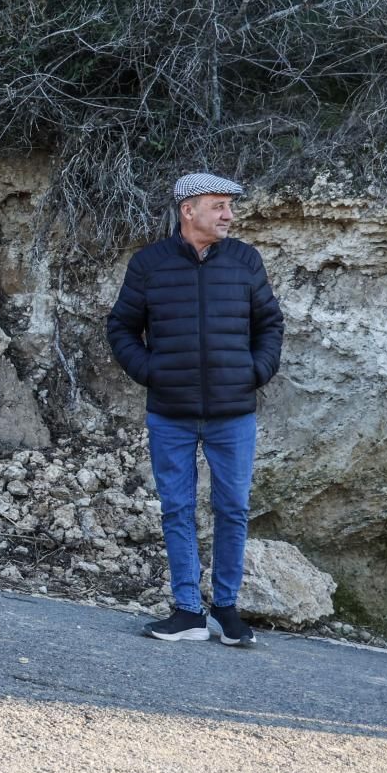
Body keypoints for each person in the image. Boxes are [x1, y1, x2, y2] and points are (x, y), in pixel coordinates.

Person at [106, 172, 284, 646]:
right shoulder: (149, 264)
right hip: (170, 410)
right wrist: (151, 371)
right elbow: (121, 327)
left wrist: (256, 370)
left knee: (233, 508)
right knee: (178, 508)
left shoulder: (246, 260)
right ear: (189, 210)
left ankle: (226, 611)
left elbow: (271, 323)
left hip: (234, 412)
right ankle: (187, 610)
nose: (229, 214)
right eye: (219, 205)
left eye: (229, 205)